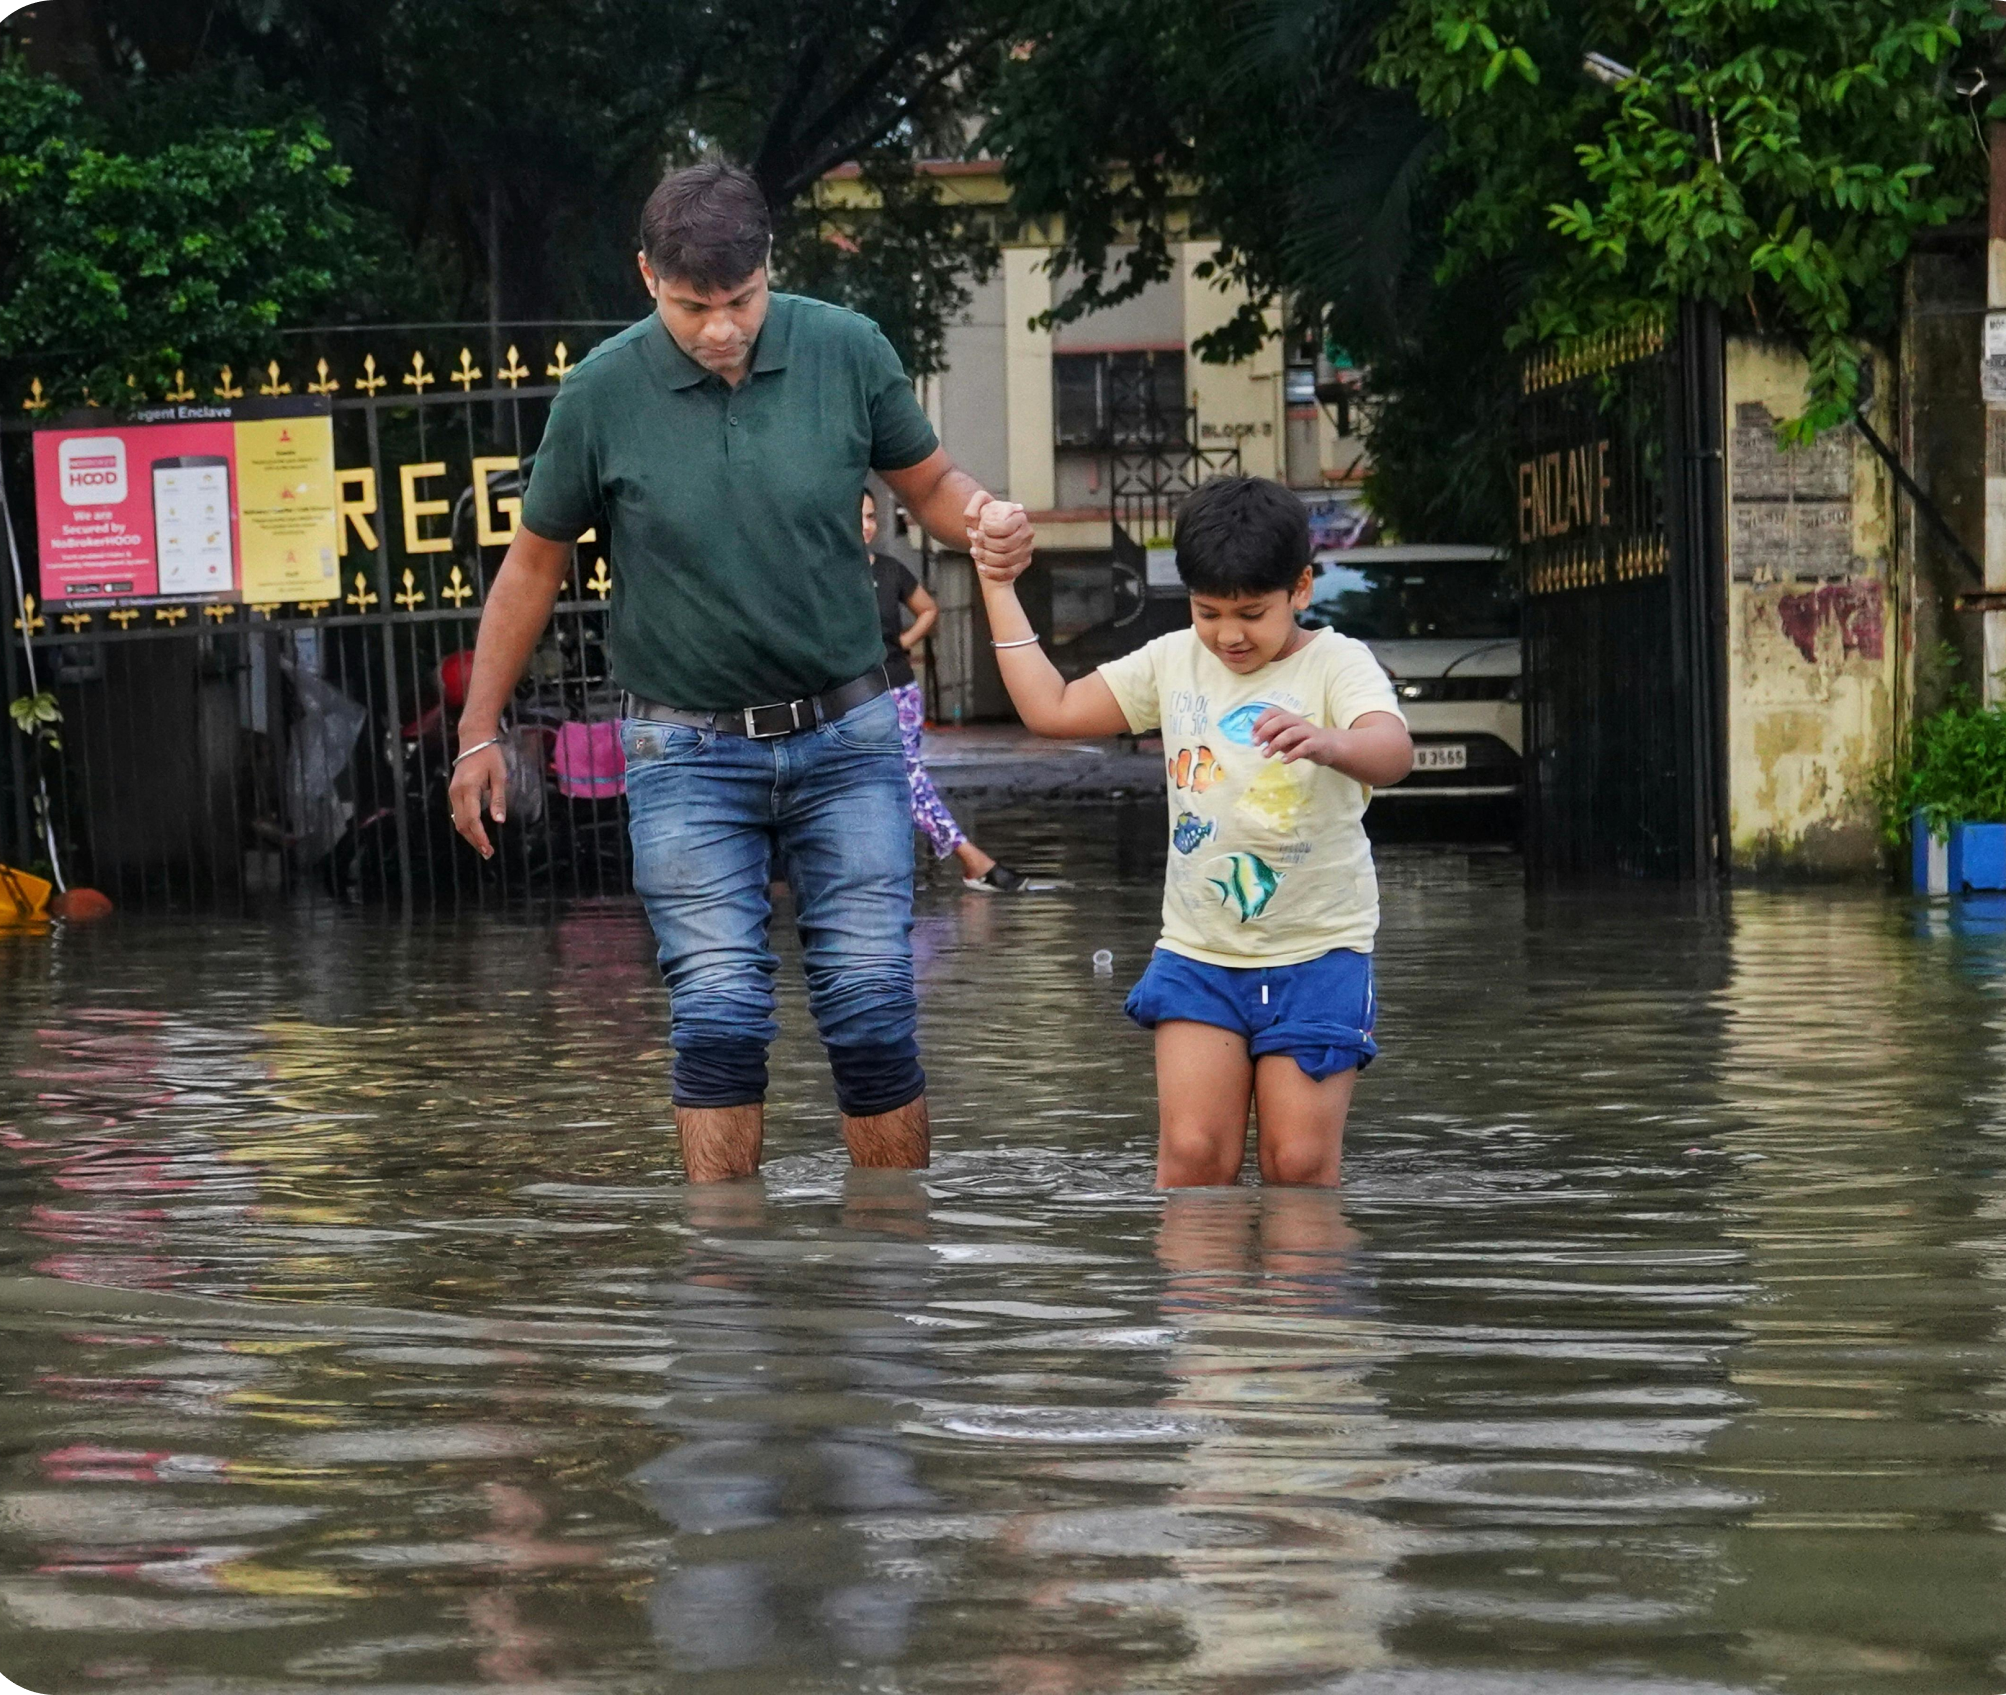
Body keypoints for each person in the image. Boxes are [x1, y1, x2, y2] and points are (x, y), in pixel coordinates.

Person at [448, 160, 1033, 1184]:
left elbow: (932, 482)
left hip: (848, 737)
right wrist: (477, 732)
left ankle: (890, 1272)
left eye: (741, 302)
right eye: (692, 308)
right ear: (646, 279)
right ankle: (724, 1284)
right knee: (716, 1011)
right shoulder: (599, 394)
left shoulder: (846, 350)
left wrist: (986, 519)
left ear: (772, 269)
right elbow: (532, 566)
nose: (721, 329)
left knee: (870, 1005)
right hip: (683, 749)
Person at [971, 475, 1413, 1189]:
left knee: (1296, 1164)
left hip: (1319, 952)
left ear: (1300, 588)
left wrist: (1328, 740)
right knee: (1194, 1157)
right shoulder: (1174, 659)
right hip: (1198, 954)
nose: (1228, 634)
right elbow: (1050, 708)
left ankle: (1306, 1302)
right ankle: (1200, 1303)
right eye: (1208, 611)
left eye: (1251, 612)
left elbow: (1392, 752)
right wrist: (996, 584)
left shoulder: (1338, 664)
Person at [861, 490, 1031, 893]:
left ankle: (970, 859)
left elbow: (929, 609)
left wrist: (903, 642)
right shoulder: (824, 572)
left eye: (871, 517)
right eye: (857, 518)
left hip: (897, 691)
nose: (865, 526)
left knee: (907, 777)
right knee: (871, 784)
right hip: (848, 697)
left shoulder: (889, 570)